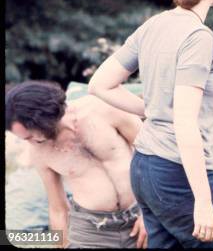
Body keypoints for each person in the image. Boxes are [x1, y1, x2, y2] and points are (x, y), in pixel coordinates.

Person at [88, 0, 213, 248]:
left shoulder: (154, 25)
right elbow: (185, 123)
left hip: (144, 167)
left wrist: (152, 109)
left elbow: (99, 84)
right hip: (177, 174)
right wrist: (203, 201)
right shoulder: (199, 37)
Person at [5, 80, 148, 248]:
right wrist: (62, 245)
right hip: (90, 230)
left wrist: (149, 213)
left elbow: (154, 154)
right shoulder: (39, 152)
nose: (30, 143)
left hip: (140, 212)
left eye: (30, 136)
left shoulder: (102, 109)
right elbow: (58, 208)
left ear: (42, 120)